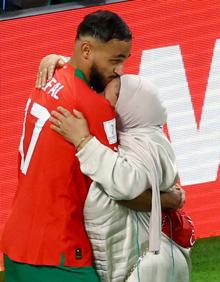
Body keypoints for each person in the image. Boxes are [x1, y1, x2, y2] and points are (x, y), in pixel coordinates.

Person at [1, 9, 182, 282]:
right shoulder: (93, 108)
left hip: (16, 243)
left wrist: (57, 57)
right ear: (86, 50)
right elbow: (118, 186)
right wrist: (169, 200)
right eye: (115, 61)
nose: (119, 71)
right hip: (59, 254)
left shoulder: (48, 77)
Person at [49, 74, 191, 281]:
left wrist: (84, 141)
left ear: (135, 104)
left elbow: (125, 185)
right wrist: (57, 61)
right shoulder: (131, 134)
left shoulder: (148, 143)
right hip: (136, 262)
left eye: (114, 94)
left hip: (147, 266)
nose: (105, 99)